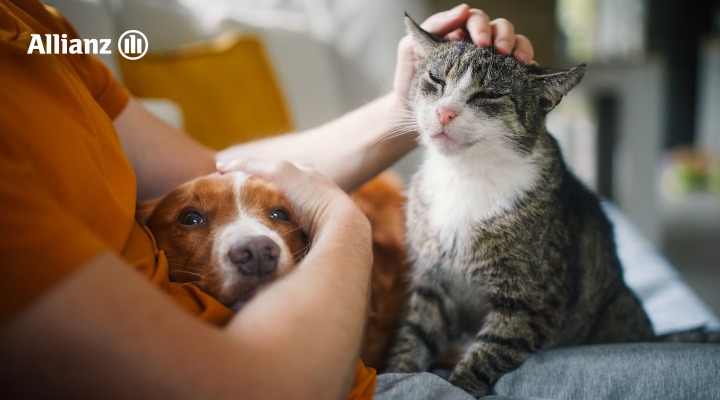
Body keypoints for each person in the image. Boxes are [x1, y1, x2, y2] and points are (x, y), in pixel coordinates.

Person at [0, 1, 534, 399]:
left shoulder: (38, 29)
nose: (253, 243)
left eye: (280, 217)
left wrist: (406, 108)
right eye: (190, 219)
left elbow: (215, 174)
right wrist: (339, 221)